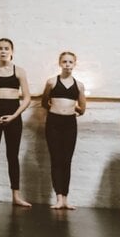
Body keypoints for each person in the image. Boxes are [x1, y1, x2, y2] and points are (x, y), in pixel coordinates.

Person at [0, 38, 32, 207]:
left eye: (6, 48)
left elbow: (27, 98)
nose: (3, 51)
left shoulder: (19, 71)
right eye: (0, 48)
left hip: (13, 115)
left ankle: (16, 196)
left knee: (12, 156)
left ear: (12, 51)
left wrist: (14, 115)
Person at [41, 51, 86, 210]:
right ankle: (58, 198)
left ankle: (65, 198)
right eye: (64, 61)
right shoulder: (52, 82)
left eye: (70, 62)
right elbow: (44, 103)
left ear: (75, 64)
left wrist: (70, 108)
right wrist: (58, 108)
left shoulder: (79, 85)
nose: (67, 64)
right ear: (60, 63)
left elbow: (82, 109)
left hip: (69, 124)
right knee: (56, 159)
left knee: (67, 160)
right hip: (53, 123)